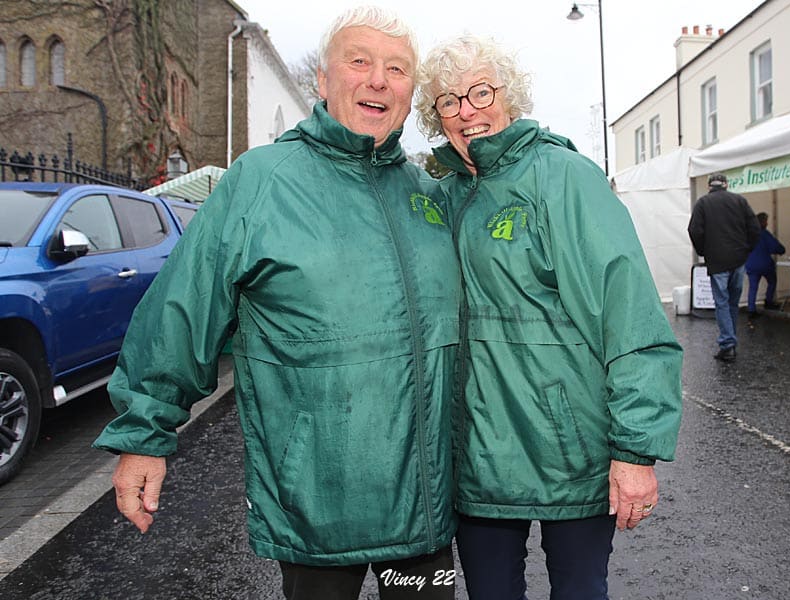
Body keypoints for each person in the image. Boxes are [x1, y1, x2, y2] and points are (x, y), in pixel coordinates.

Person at [93, 7, 462, 599]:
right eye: (359, 61)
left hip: (423, 514)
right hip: (317, 505)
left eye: (396, 69)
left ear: (409, 91)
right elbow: (184, 307)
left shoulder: (428, 194)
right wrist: (143, 436)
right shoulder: (261, 179)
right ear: (322, 78)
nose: (377, 80)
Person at [415, 35, 683, 600]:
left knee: (581, 591)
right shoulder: (441, 192)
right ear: (436, 117)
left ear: (510, 97)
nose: (467, 110)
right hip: (477, 461)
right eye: (447, 101)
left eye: (480, 91)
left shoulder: (565, 177)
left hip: (571, 452)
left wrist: (635, 451)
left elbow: (629, 316)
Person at [688, 173, 760, 361]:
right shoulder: (739, 201)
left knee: (721, 303)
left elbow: (694, 230)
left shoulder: (703, 203)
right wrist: (747, 250)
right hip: (738, 259)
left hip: (717, 261)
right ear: (726, 184)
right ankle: (730, 340)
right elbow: (754, 228)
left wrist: (704, 251)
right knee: (732, 303)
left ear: (709, 185)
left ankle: (728, 344)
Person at [744, 212, 785, 315]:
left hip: (750, 264)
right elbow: (775, 247)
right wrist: (781, 251)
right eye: (766, 221)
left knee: (753, 287)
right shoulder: (764, 234)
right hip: (764, 264)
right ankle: (768, 301)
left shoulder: (747, 234)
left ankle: (751, 309)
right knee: (772, 281)